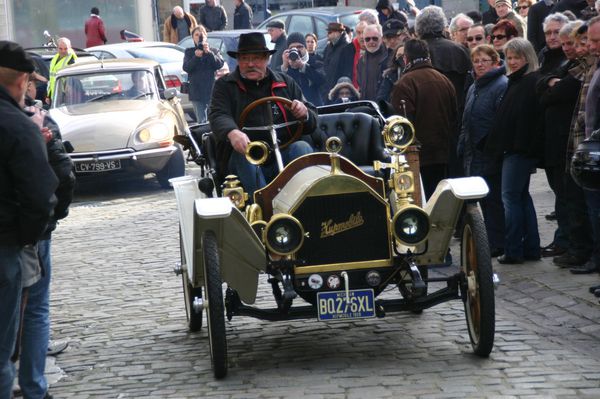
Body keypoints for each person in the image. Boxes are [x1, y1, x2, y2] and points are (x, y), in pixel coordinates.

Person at [0, 40, 58, 399]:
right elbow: (41, 195)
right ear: (22, 81)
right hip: (7, 247)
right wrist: (27, 237)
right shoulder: (19, 126)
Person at [18, 71, 75, 399]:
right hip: (30, 228)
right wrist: (54, 215)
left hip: (29, 226)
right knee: (35, 305)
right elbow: (63, 175)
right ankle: (33, 387)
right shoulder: (32, 121)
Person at [208, 32, 315, 199]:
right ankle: (264, 206)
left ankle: (302, 202)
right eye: (245, 59)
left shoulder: (286, 83)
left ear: (267, 59)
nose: (250, 64)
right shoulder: (225, 85)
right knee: (244, 157)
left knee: (302, 148)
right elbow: (218, 114)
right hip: (245, 157)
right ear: (238, 61)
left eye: (256, 58)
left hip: (283, 153)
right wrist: (232, 132)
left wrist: (304, 112)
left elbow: (312, 119)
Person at [537, 20, 593, 266]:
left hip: (580, 143)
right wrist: (549, 84)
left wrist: (551, 87)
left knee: (578, 202)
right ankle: (572, 244)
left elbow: (558, 93)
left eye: (579, 43)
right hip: (566, 141)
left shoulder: (584, 68)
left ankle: (580, 249)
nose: (573, 48)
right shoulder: (566, 64)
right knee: (567, 198)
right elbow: (540, 86)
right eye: (568, 43)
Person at [484, 38, 541, 264]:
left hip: (518, 150)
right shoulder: (517, 81)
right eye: (509, 58)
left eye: (517, 57)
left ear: (527, 58)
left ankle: (515, 249)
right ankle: (531, 248)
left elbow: (524, 121)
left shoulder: (528, 82)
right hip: (516, 149)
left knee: (510, 199)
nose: (513, 62)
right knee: (521, 197)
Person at [391, 38, 457, 199]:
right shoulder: (444, 80)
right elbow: (454, 117)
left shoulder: (405, 84)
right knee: (440, 202)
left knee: (421, 205)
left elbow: (403, 127)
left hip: (417, 158)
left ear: (406, 58)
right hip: (443, 154)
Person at [458, 44, 507, 257]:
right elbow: (466, 119)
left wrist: (488, 146)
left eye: (484, 60)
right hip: (473, 152)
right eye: (476, 61)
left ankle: (499, 242)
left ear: (495, 62)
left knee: (494, 199)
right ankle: (488, 240)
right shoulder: (474, 87)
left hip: (489, 151)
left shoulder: (501, 84)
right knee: (482, 201)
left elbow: (500, 121)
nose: (479, 65)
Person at [183, 25, 224, 122]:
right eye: (196, 35)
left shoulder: (213, 50)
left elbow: (219, 64)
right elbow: (186, 68)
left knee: (214, 119)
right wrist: (196, 57)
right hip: (196, 90)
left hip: (211, 89)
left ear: (206, 36)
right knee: (201, 121)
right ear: (193, 37)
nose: (199, 37)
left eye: (201, 35)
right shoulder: (189, 52)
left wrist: (209, 53)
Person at [281, 32, 325, 106]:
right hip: (295, 109)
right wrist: (285, 67)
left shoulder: (315, 60)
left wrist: (303, 66)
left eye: (299, 47)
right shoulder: (286, 65)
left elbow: (322, 80)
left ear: (305, 47)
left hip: (315, 107)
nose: (297, 50)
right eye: (292, 48)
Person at [357, 24, 388, 101]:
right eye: (367, 39)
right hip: (367, 105)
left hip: (384, 106)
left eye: (375, 38)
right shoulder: (361, 61)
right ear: (364, 41)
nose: (371, 42)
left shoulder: (389, 58)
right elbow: (360, 85)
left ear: (381, 38)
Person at [323, 22, 351, 94]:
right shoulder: (329, 47)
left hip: (340, 90)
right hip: (328, 88)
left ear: (338, 33)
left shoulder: (347, 47)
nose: (327, 34)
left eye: (330, 32)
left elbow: (347, 72)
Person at [47, 37, 77, 102]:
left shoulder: (71, 59)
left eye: (66, 49)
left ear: (70, 47)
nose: (63, 51)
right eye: (60, 49)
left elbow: (72, 81)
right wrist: (48, 95)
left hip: (64, 96)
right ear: (57, 48)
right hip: (54, 96)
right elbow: (51, 79)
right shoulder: (54, 58)